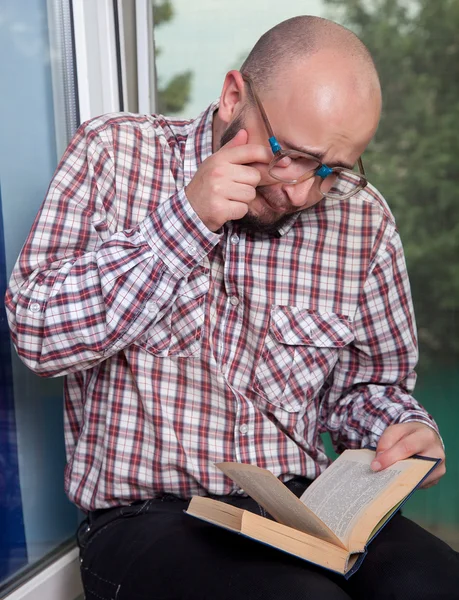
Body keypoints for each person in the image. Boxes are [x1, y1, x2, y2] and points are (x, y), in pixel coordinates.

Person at [5, 14, 458, 600]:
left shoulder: (361, 218)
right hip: (151, 520)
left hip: (304, 509)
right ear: (233, 96)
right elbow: (36, 334)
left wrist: (399, 430)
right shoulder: (113, 155)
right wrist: (184, 224)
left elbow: (364, 389)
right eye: (290, 154)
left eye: (331, 169)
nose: (301, 192)